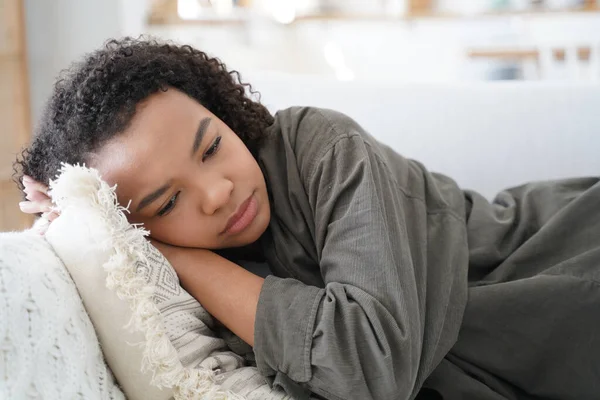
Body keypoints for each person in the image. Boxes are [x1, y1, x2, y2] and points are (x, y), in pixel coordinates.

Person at [16, 38, 600, 400]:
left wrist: (182, 256)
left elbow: (371, 365)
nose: (218, 193)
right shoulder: (170, 286)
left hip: (565, 258)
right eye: (168, 203)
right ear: (131, 226)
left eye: (212, 145)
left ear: (221, 112)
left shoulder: (318, 144)